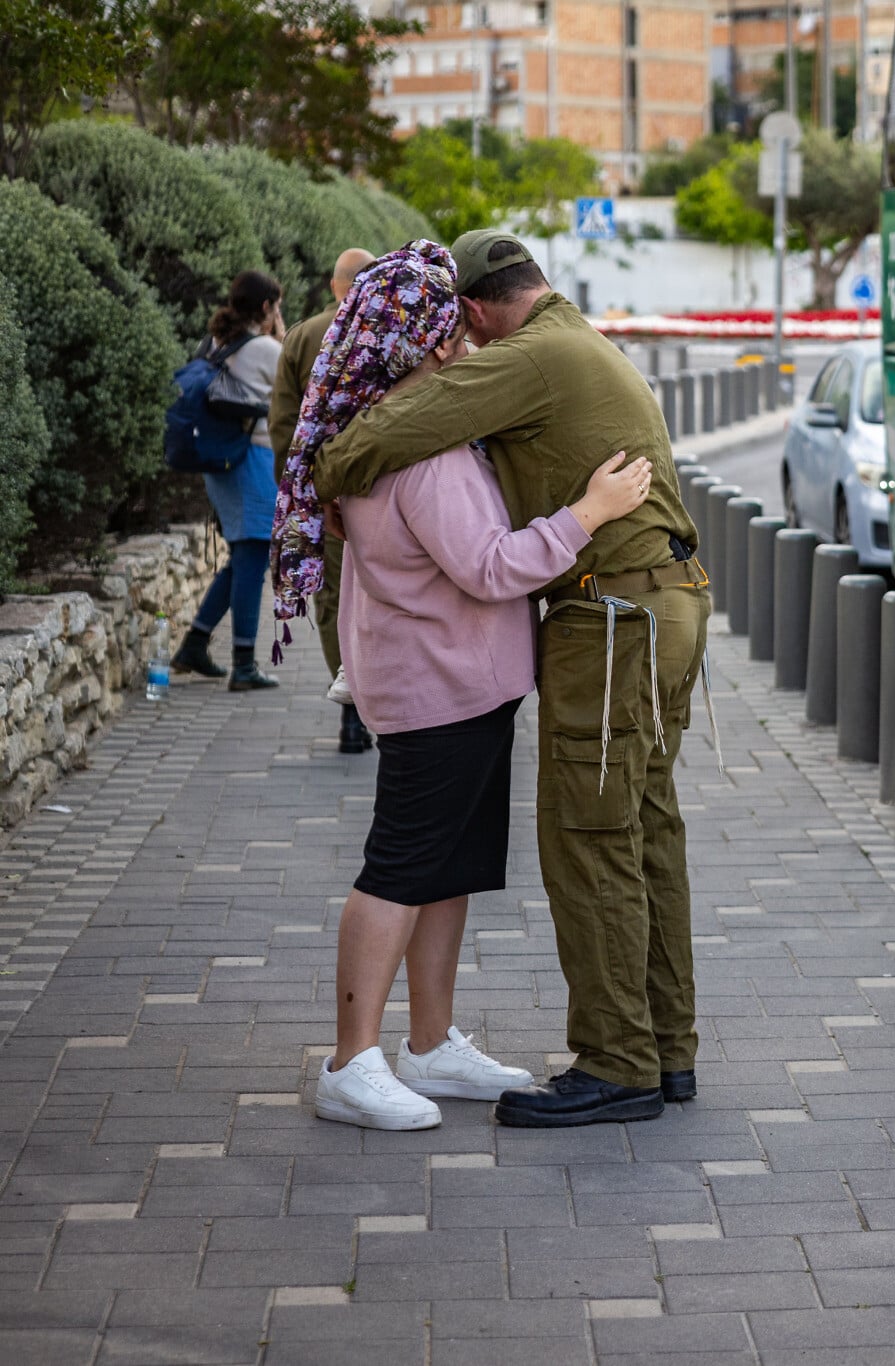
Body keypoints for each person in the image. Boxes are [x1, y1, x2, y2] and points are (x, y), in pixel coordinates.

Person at [299, 230, 710, 1128]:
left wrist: (321, 466)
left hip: (613, 621)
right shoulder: (576, 339)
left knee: (590, 837)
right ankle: (662, 1052)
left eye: (466, 331)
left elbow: (406, 424)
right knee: (641, 829)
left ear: (479, 311)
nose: (463, 348)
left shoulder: (528, 354)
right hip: (651, 606)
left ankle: (618, 1065)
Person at [269, 246, 377, 753]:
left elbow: (283, 426)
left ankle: (351, 710)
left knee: (334, 600)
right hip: (388, 487)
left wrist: (296, 494)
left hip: (325, 491)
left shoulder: (303, 336)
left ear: (335, 286)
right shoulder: (391, 330)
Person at [173, 270, 286, 691]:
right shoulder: (265, 349)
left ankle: (195, 644)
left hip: (221, 463)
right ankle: (243, 664)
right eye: (277, 305)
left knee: (241, 557)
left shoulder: (214, 343)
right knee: (253, 558)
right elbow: (298, 397)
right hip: (252, 461)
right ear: (265, 307)